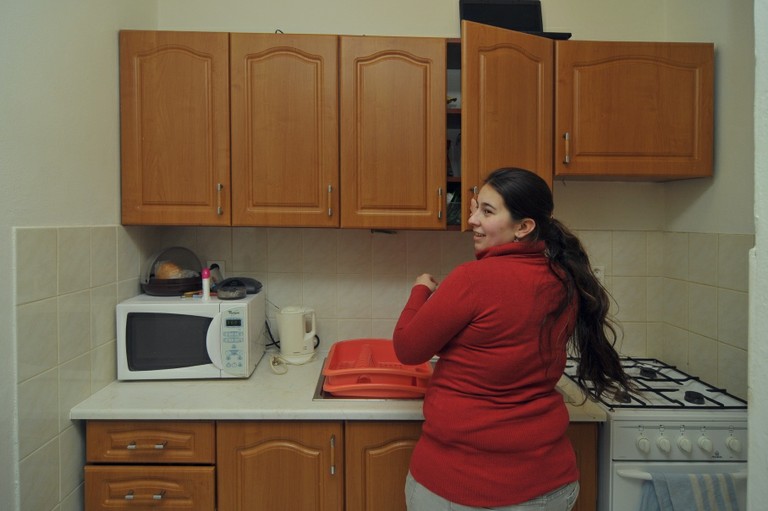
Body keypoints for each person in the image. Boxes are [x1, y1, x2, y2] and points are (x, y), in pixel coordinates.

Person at [393, 167, 632, 510]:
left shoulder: (471, 280)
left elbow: (407, 347)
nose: (472, 220)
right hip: (548, 487)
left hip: (460, 484)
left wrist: (420, 290)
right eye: (475, 207)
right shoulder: (564, 280)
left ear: (524, 227)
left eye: (487, 211)